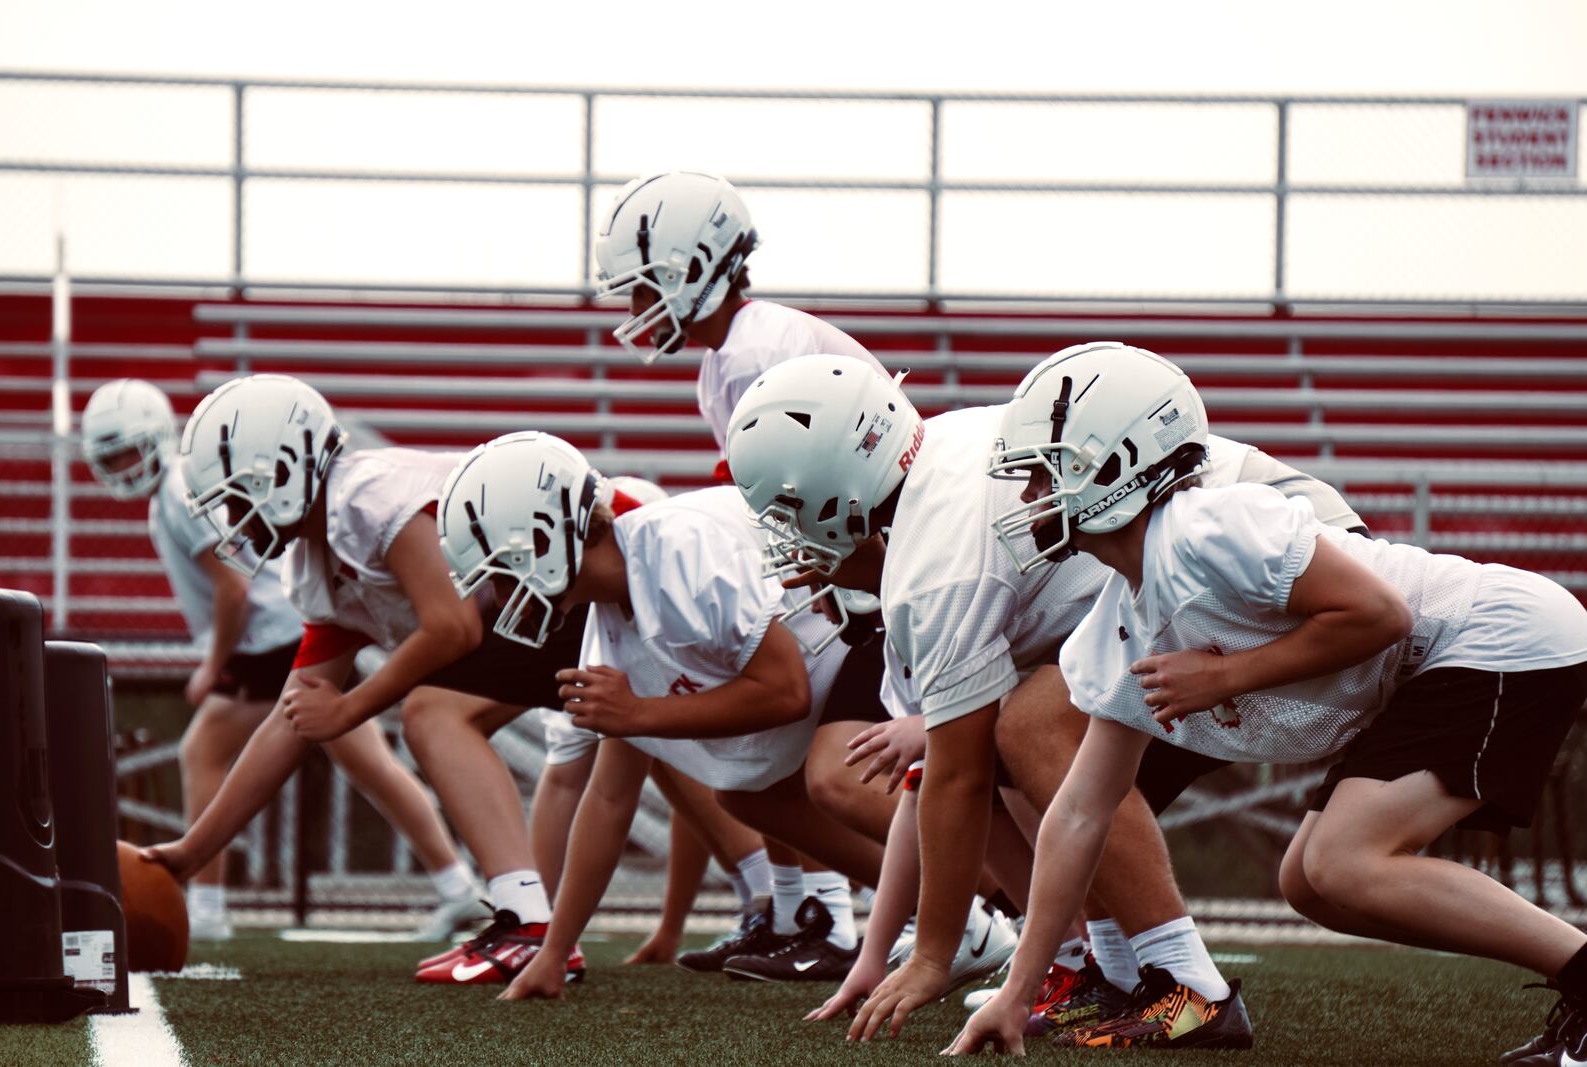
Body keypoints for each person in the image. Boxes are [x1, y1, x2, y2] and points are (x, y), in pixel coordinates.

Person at [945, 343, 1587, 1062]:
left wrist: (1224, 677)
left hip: (1497, 635)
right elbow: (1079, 810)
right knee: (1311, 882)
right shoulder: (1121, 623)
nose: (1030, 495)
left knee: (1346, 862)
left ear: (1115, 463)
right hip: (1427, 667)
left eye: (1044, 472)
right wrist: (1017, 988)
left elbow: (1380, 615)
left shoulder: (1204, 525)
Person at [725, 350, 1366, 1047]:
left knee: (1027, 724)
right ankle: (1117, 972)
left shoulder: (934, 560)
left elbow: (955, 777)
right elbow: (930, 780)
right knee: (1016, 727)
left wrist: (934, 954)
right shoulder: (933, 473)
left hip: (1279, 560)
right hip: (1234, 562)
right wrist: (884, 953)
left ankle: (1190, 987)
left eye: (787, 510)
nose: (791, 538)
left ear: (831, 488)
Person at [139, 375, 625, 983]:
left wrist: (348, 711)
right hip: (551, 605)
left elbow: (450, 628)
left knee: (436, 713)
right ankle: (530, 919)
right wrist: (192, 851)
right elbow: (289, 722)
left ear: (280, 472)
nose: (233, 519)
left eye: (238, 497)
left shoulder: (366, 499)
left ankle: (534, 920)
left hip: (611, 567)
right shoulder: (318, 565)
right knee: (678, 751)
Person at [435, 431, 908, 994]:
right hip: (839, 656)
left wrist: (638, 714)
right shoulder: (612, 617)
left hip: (882, 626)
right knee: (746, 791)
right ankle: (953, 906)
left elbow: (785, 692)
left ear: (542, 539)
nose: (502, 592)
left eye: (502, 569)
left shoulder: (675, 549)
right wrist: (555, 951)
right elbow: (608, 799)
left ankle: (982, 904)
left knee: (831, 777)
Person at [594, 169, 912, 975]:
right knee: (754, 720)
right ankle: (810, 909)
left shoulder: (755, 351)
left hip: (876, 559)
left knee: (788, 726)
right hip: (854, 553)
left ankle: (907, 909)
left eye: (642, 291)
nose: (634, 313)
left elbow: (780, 497)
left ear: (687, 269)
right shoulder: (731, 354)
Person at [80, 379, 479, 942]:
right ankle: (460, 885)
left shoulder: (350, 503)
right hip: (288, 632)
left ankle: (210, 904)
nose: (235, 521)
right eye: (111, 456)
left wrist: (213, 663)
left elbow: (234, 589)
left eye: (128, 449)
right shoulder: (293, 557)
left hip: (268, 637)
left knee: (214, 751)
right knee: (368, 760)